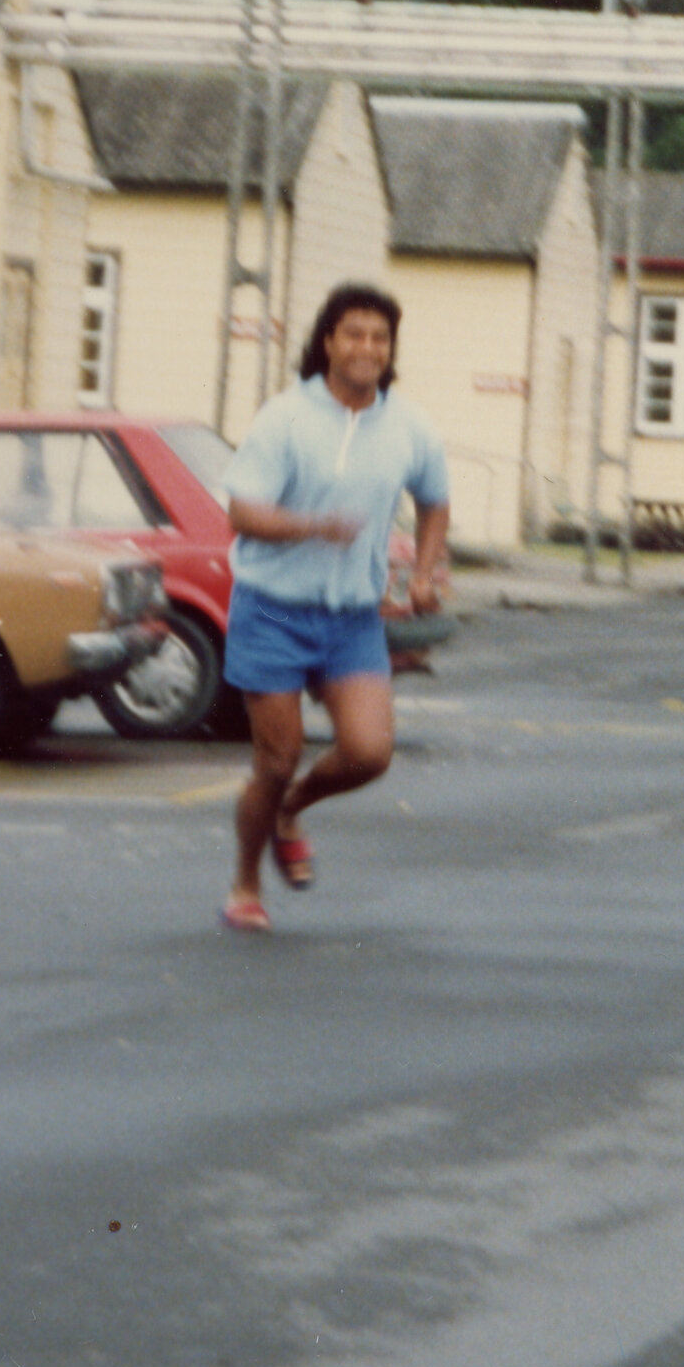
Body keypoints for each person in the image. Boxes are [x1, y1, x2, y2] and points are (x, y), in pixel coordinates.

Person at [217, 281, 450, 934]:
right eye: (354, 334)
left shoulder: (409, 425)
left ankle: (291, 808)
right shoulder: (285, 416)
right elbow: (243, 512)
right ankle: (245, 882)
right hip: (273, 610)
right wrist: (313, 525)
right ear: (328, 341)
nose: (367, 347)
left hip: (351, 617)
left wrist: (424, 572)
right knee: (275, 758)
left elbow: (435, 501)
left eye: (380, 337)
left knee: (369, 751)